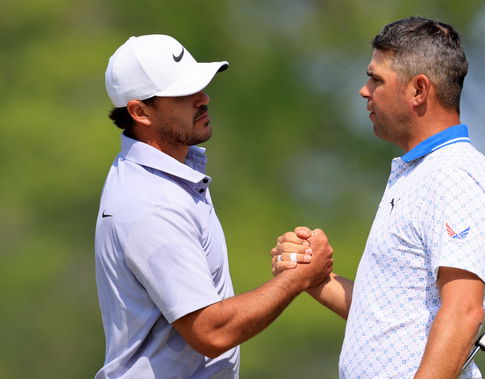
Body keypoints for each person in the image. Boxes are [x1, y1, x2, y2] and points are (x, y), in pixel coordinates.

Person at [273, 17, 485, 378]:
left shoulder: (456, 173)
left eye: (376, 79)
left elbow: (463, 311)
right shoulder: (417, 173)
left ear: (418, 90)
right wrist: (314, 279)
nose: (364, 91)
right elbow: (385, 314)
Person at [94, 34, 333, 379]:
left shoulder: (161, 177)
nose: (203, 98)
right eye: (183, 94)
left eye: (200, 87)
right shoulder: (151, 201)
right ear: (140, 111)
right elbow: (211, 331)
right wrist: (297, 279)